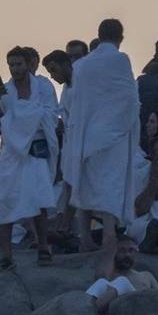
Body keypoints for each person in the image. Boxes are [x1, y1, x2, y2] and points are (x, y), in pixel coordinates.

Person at [60, 19, 139, 260]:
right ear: (121, 37)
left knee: (84, 183)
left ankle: (84, 236)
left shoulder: (82, 65)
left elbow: (78, 101)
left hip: (85, 134)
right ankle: (107, 235)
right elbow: (129, 97)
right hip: (113, 134)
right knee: (110, 185)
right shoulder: (120, 60)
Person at [0, 46, 60, 267]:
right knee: (5, 200)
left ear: (28, 64)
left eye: (18, 64)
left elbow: (51, 115)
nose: (15, 69)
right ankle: (7, 255)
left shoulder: (42, 87)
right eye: (11, 64)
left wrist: (23, 118)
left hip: (36, 148)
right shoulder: (6, 92)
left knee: (38, 199)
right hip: (11, 152)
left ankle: (43, 247)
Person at [87, 238, 158, 315]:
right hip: (116, 314)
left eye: (131, 250)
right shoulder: (107, 276)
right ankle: (87, 311)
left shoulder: (146, 275)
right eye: (122, 250)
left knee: (122, 281)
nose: (127, 254)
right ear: (114, 253)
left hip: (142, 312)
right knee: (103, 282)